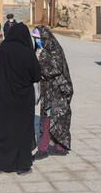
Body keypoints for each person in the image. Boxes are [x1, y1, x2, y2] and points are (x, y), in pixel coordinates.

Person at [0, 23, 42, 175]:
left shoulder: (3, 50)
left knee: (4, 129)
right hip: (22, 99)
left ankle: (1, 165)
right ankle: (22, 167)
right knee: (22, 130)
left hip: (3, 96)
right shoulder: (27, 52)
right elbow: (35, 75)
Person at [31, 25, 74, 160]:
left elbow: (56, 68)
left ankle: (43, 148)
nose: (37, 41)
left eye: (38, 38)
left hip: (58, 90)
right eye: (35, 39)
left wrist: (42, 73)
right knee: (55, 117)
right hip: (49, 90)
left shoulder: (54, 50)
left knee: (49, 118)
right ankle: (60, 147)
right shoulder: (43, 49)